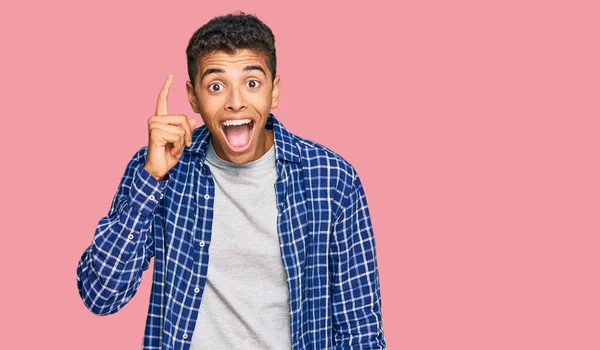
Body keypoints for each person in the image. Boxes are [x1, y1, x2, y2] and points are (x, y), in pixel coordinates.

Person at [76, 11, 386, 350]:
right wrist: (150, 179)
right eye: (216, 86)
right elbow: (100, 295)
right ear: (193, 97)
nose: (236, 102)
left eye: (252, 83)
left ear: (275, 91)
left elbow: (360, 332)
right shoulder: (159, 168)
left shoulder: (332, 179)